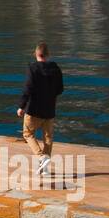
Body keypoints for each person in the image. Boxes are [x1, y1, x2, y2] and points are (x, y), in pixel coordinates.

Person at [17, 41, 64, 174]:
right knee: (48, 138)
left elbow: (28, 88)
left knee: (28, 134)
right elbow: (60, 89)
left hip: (34, 109)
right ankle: (45, 168)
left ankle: (41, 157)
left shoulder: (32, 68)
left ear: (35, 54)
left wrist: (21, 106)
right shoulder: (56, 68)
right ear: (48, 54)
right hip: (49, 110)